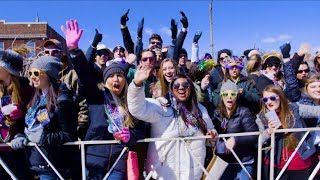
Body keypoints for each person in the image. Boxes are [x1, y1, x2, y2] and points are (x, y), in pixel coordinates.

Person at [63, 19, 145, 179]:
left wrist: (131, 136)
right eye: (112, 76)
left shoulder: (130, 101)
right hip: (94, 159)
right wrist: (74, 51)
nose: (116, 79)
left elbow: (142, 129)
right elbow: (84, 76)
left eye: (120, 76)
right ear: (105, 80)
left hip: (118, 160)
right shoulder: (96, 96)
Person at [128, 71, 217, 179]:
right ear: (171, 89)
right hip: (164, 174)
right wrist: (137, 85)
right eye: (176, 85)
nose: (181, 88)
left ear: (191, 88)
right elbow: (138, 109)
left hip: (193, 174)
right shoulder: (162, 105)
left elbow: (211, 132)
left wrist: (212, 136)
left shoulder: (200, 109)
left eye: (185, 85)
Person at [11, 55, 77, 179]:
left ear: (48, 75)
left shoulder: (62, 100)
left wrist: (42, 138)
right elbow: (31, 127)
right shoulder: (34, 99)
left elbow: (68, 134)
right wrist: (20, 136)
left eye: (36, 73)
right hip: (32, 163)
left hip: (51, 165)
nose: (32, 76)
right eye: (30, 73)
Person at [256, 85, 315, 180]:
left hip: (298, 161)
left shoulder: (294, 108)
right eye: (265, 100)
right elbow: (259, 141)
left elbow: (316, 111)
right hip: (274, 163)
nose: (269, 102)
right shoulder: (262, 116)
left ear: (280, 97)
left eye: (272, 98)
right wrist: (268, 132)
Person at [212, 79, 259, 180]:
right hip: (224, 162)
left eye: (233, 94)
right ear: (221, 96)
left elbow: (255, 135)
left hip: (243, 161)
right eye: (226, 94)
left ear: (237, 96)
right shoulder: (217, 113)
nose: (229, 97)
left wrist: (235, 139)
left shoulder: (244, 111)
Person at [0, 49, 33, 179]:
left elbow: (35, 117)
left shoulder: (27, 89)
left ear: (8, 70)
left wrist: (22, 134)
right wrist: (2, 113)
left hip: (17, 151)